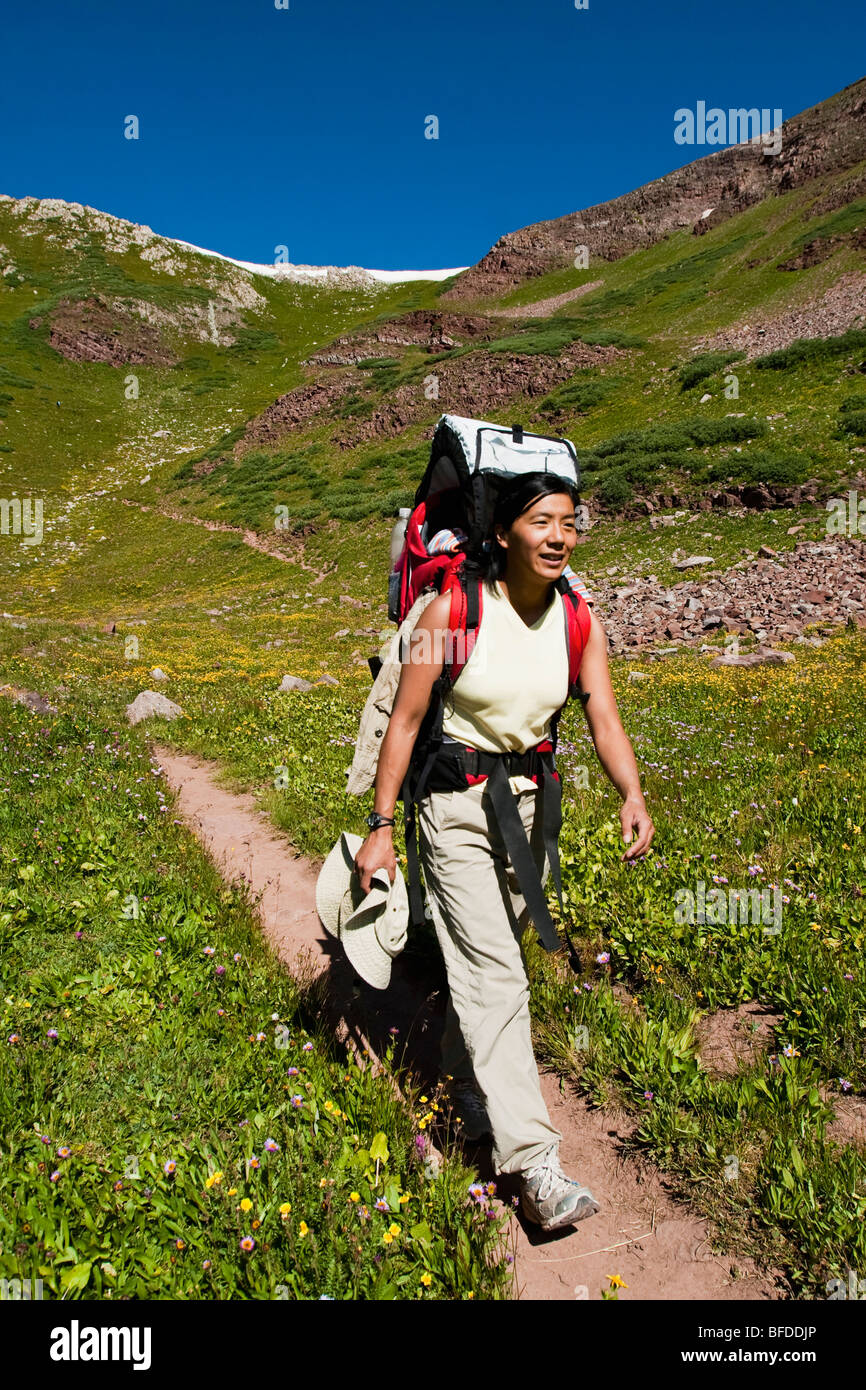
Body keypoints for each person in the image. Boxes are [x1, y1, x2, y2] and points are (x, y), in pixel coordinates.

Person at [353, 472, 655, 1230]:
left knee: (491, 963)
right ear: (503, 534)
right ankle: (537, 1164)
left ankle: (464, 1091)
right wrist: (382, 824)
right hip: (451, 806)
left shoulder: (580, 618)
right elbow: (406, 716)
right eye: (541, 521)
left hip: (529, 809)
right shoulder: (455, 608)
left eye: (570, 523)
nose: (559, 535)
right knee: (496, 971)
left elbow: (604, 717)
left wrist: (632, 793)